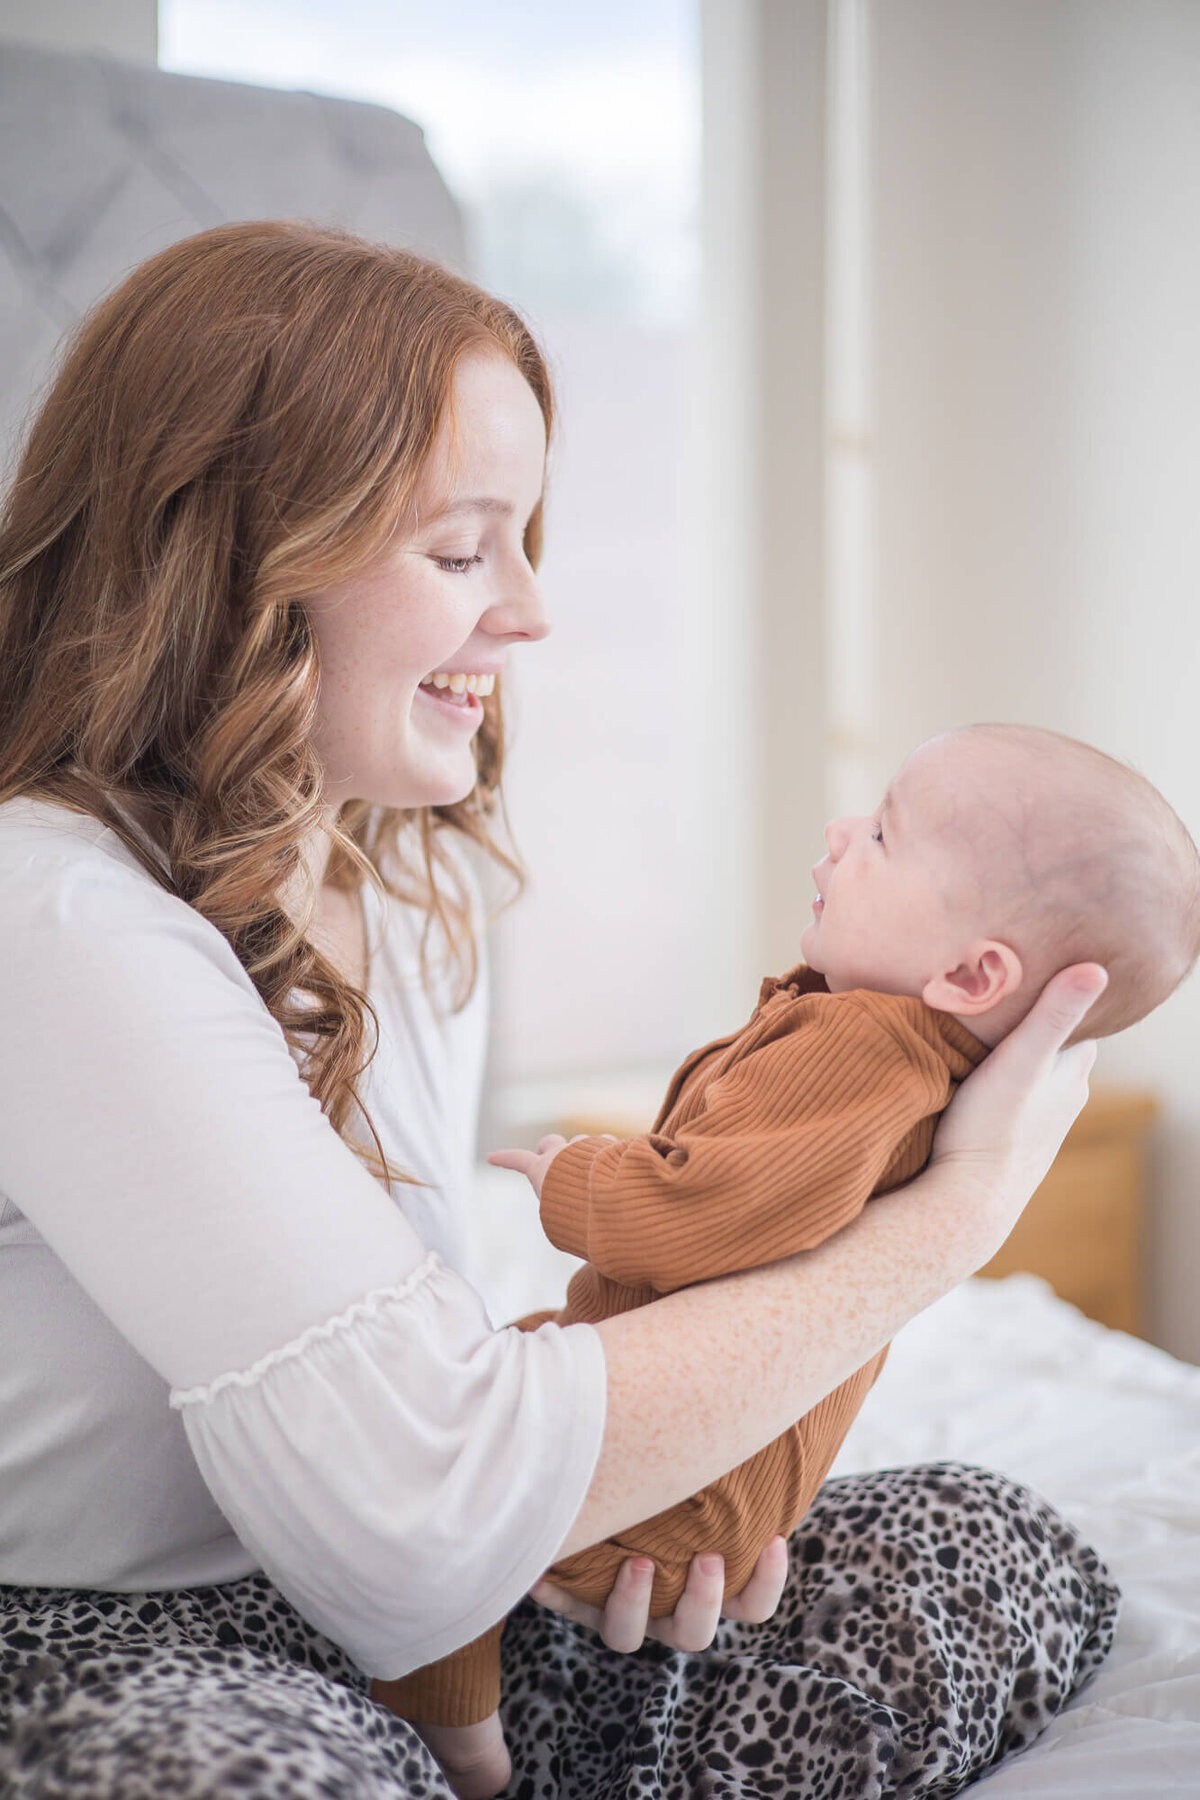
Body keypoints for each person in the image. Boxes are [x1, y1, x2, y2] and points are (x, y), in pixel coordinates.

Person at [0, 220, 1113, 1800]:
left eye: (527, 541)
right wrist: (954, 1217)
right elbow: (419, 1509)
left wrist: (637, 1497)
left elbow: (439, 1458)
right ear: (237, 561)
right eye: (463, 551)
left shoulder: (392, 879)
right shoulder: (47, 911)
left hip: (427, 1615)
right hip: (128, 1636)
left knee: (989, 1548)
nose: (529, 612)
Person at [377, 721, 1198, 1781]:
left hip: (675, 1486)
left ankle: (454, 1733)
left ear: (971, 970)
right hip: (714, 1479)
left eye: (885, 836)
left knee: (437, 1483)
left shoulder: (862, 1054)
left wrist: (580, 1180)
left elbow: (702, 1213)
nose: (840, 832)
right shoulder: (888, 1054)